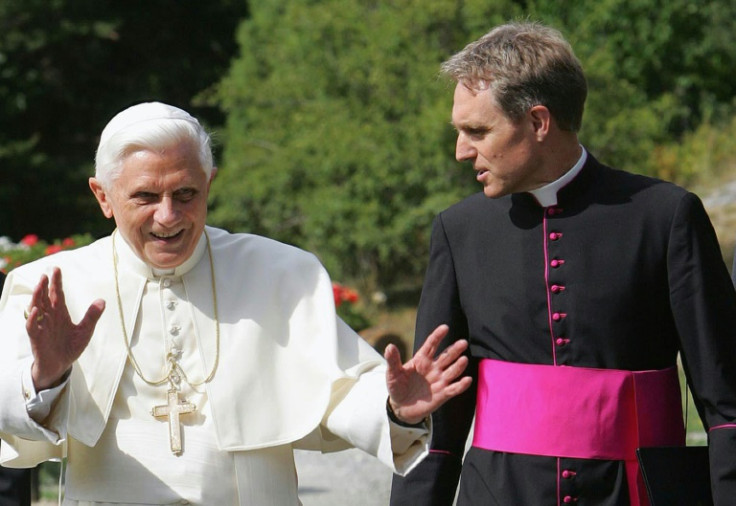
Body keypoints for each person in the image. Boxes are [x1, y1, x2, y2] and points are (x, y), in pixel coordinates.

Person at [0, 101, 472, 505]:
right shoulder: (49, 286)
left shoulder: (279, 272)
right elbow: (8, 414)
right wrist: (47, 376)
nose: (169, 216)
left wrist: (394, 408)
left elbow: (340, 388)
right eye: (145, 196)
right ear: (103, 196)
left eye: (186, 193)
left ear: (210, 182)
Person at [390, 21, 736, 506]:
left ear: (537, 122)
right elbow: (439, 420)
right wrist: (405, 419)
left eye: (477, 131)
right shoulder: (459, 231)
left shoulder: (665, 217)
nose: (461, 151)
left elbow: (726, 405)